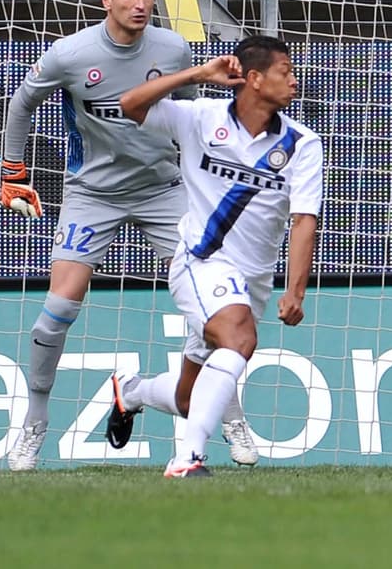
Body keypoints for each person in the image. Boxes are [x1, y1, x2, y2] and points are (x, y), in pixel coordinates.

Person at [0, 0, 257, 471]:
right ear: (106, 0)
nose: (141, 5)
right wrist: (11, 168)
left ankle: (229, 416)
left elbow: (190, 116)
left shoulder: (173, 49)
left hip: (163, 189)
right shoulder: (69, 55)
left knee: (214, 308)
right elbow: (23, 102)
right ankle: (34, 424)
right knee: (61, 306)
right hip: (93, 192)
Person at [107, 35, 323, 477]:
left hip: (253, 280)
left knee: (190, 398)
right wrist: (198, 74)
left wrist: (295, 290)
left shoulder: (303, 144)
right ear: (255, 78)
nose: (295, 81)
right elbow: (129, 104)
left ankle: (130, 393)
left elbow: (305, 221)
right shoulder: (200, 117)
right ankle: (187, 460)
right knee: (240, 339)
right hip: (199, 262)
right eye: (285, 71)